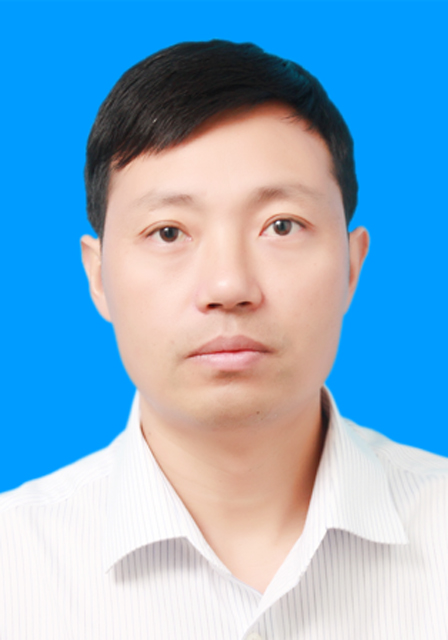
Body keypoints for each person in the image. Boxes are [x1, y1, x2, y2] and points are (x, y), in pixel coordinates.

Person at [1, 40, 447, 640]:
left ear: (351, 265)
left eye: (281, 225)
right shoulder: (14, 565)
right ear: (98, 276)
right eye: (168, 232)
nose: (229, 286)